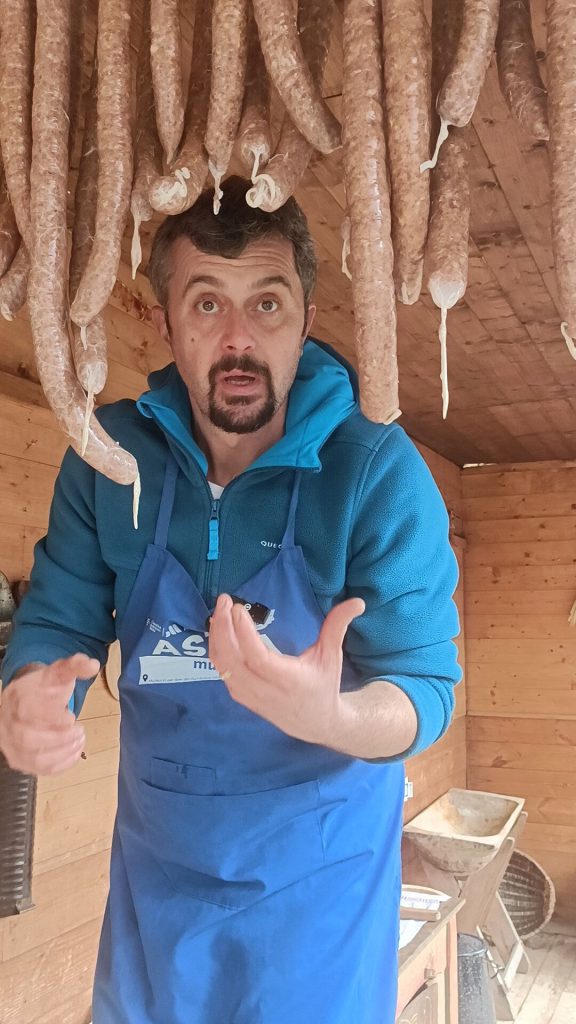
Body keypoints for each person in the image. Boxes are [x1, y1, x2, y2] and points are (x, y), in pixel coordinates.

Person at [0, 176, 461, 1024]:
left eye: (268, 304)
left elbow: (425, 689)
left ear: (305, 321)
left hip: (318, 899)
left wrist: (333, 716)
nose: (239, 339)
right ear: (165, 322)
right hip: (157, 886)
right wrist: (30, 689)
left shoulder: (374, 472)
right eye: (207, 304)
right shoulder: (108, 461)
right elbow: (59, 618)